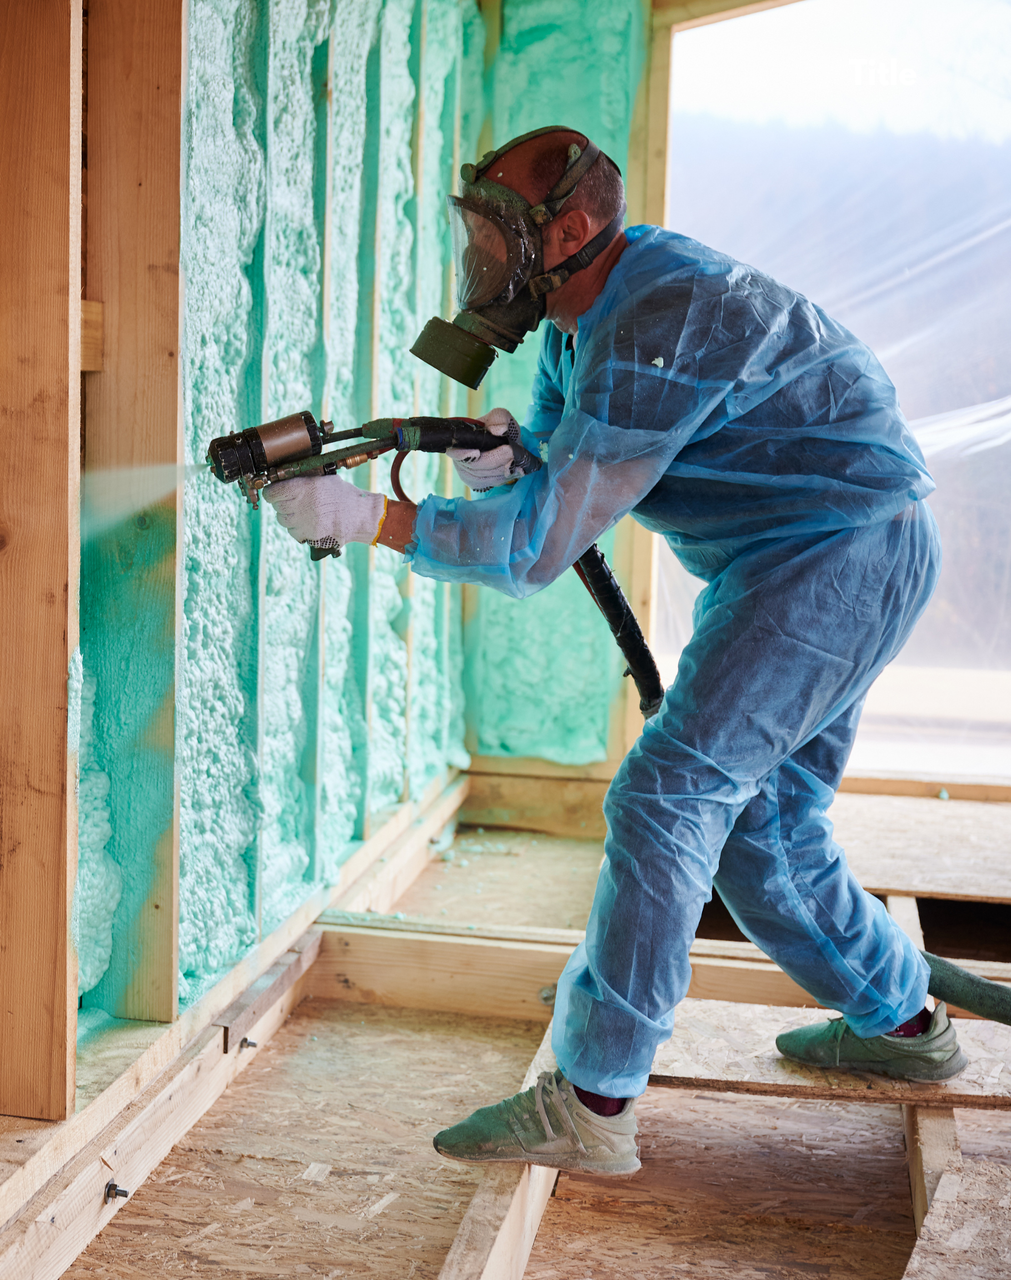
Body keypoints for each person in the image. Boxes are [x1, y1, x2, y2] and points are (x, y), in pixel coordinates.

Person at [263, 126, 958, 1177]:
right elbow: (553, 485)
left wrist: (371, 518)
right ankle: (902, 1022)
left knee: (670, 796)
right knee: (759, 822)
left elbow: (541, 548)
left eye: (493, 238)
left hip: (835, 553)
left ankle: (594, 1098)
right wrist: (505, 462)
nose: (479, 264)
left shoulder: (658, 318)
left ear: (569, 228)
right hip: (805, 554)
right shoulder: (577, 322)